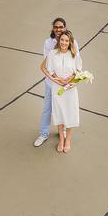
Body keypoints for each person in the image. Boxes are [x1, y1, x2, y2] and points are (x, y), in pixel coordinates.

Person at [34, 17, 80, 148]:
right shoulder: (48, 43)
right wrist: (57, 79)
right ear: (53, 28)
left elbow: (77, 63)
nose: (58, 29)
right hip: (52, 83)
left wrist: (69, 81)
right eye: (56, 27)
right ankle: (44, 133)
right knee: (48, 108)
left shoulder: (73, 42)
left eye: (61, 27)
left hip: (68, 84)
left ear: (65, 28)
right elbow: (48, 63)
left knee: (66, 108)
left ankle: (64, 133)